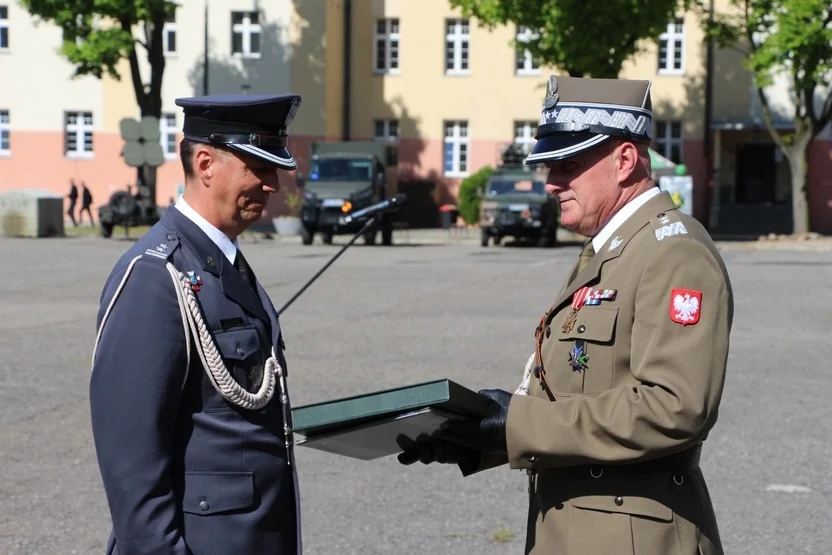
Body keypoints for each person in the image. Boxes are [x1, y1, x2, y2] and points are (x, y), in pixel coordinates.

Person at [398, 75, 733, 555]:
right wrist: (477, 438)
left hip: (635, 537)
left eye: (569, 164)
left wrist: (516, 424)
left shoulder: (673, 252)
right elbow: (575, 392)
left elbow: (673, 408)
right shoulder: (611, 249)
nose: (551, 182)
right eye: (549, 165)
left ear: (624, 160)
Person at [89, 93, 304, 555]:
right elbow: (132, 462)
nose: (273, 185)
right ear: (205, 163)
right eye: (259, 168)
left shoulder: (223, 262)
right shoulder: (154, 276)